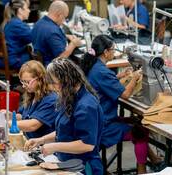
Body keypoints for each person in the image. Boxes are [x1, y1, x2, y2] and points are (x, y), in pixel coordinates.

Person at [81, 35, 162, 174]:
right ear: (106, 52)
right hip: (103, 126)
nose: (115, 53)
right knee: (141, 132)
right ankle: (142, 171)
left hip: (94, 120)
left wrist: (120, 76)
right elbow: (125, 94)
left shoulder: (93, 66)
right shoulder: (102, 72)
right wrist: (135, 77)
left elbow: (103, 82)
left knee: (137, 122)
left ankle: (154, 160)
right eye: (113, 50)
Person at [25, 58, 104, 174]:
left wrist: (55, 147)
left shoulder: (86, 106)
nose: (53, 88)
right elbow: (65, 130)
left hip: (82, 167)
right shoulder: (70, 97)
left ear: (67, 80)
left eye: (55, 84)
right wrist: (41, 140)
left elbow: (87, 144)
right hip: (66, 163)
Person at [4, 60, 58, 139]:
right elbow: (23, 116)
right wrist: (10, 115)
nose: (23, 86)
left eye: (27, 82)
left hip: (44, 146)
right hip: (30, 141)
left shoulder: (51, 100)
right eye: (22, 81)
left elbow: (32, 125)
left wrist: (5, 123)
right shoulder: (32, 94)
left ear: (40, 79)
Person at [31, 1, 81, 66]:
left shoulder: (39, 23)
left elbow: (47, 37)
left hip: (42, 65)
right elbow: (61, 57)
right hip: (53, 69)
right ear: (59, 15)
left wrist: (66, 36)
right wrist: (73, 43)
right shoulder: (53, 31)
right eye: (64, 17)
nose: (64, 21)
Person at [0, 0, 31, 69]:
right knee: (36, 60)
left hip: (0, 60)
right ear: (20, 10)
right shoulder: (17, 24)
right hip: (12, 61)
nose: (29, 11)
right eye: (27, 8)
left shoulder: (10, 21)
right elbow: (34, 38)